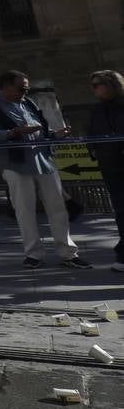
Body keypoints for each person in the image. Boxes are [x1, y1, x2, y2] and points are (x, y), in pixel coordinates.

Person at [0, 70, 88, 269]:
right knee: (24, 210)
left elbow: (40, 133)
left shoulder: (28, 103)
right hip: (15, 163)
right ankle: (34, 254)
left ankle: (68, 252)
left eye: (27, 88)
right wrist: (14, 132)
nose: (25, 91)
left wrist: (55, 135)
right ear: (6, 86)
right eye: (21, 88)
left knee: (58, 208)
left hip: (43, 160)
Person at [87, 70, 124, 273]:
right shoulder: (97, 109)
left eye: (97, 84)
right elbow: (91, 133)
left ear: (112, 85)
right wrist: (93, 150)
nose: (94, 89)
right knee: (121, 210)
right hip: (111, 167)